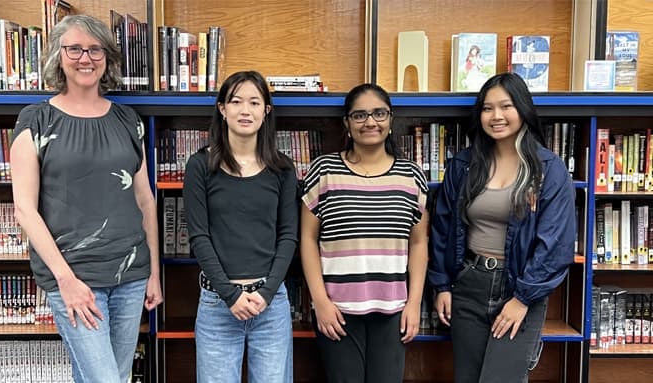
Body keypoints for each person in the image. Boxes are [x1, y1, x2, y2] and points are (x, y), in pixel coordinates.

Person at [10, 15, 162, 383]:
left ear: (107, 57)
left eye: (95, 49)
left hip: (131, 274)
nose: (85, 58)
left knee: (114, 376)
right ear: (58, 57)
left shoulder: (128, 120)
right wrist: (66, 281)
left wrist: (154, 272)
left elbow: (145, 201)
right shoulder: (36, 120)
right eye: (74, 48)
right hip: (74, 277)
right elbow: (24, 210)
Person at [429, 72, 576, 383]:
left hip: (519, 288)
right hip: (469, 284)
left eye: (505, 106)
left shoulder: (549, 169)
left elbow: (556, 245)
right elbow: (442, 228)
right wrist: (442, 285)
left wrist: (522, 298)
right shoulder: (463, 165)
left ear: (522, 109)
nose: (496, 116)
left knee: (503, 378)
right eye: (487, 108)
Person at [300, 83, 429, 382]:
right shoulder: (324, 171)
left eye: (379, 113)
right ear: (346, 123)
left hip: (393, 310)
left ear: (390, 119)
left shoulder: (411, 175)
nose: (370, 122)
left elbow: (419, 242)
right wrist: (320, 301)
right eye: (359, 115)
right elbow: (307, 239)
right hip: (338, 310)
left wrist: (414, 303)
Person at [183, 70, 298, 383]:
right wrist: (231, 295)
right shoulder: (200, 166)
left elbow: (288, 237)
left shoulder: (283, 169)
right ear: (222, 108)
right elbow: (199, 237)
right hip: (217, 303)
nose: (245, 110)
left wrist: (267, 292)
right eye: (235, 101)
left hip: (270, 305)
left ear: (266, 110)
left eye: (254, 102)